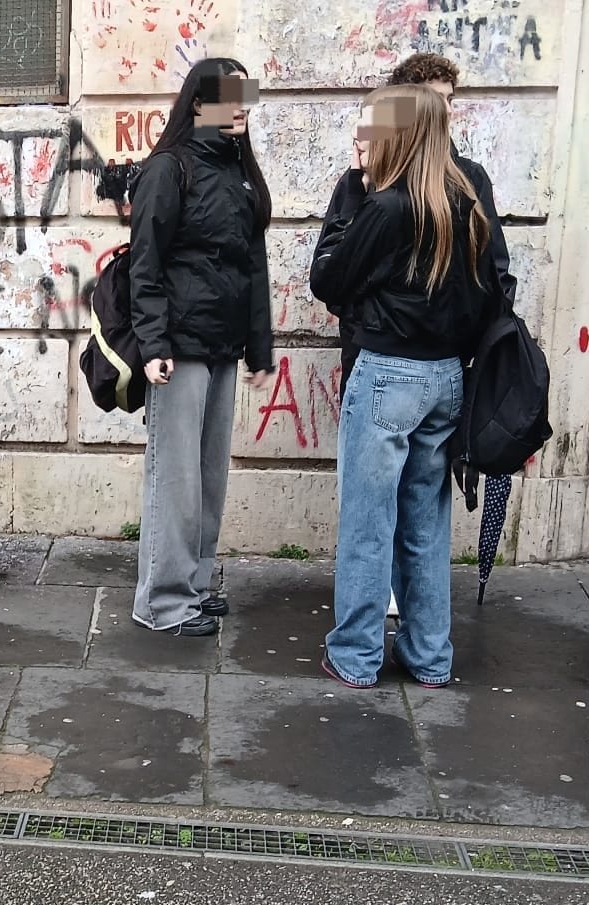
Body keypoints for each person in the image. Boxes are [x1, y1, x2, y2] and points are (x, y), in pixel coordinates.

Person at [311, 85, 506, 688]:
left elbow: (327, 279)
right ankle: (429, 657)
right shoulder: (464, 200)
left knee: (368, 523)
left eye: (371, 129)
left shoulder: (387, 206)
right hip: (448, 377)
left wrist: (351, 189)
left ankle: (357, 654)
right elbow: (487, 294)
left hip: (389, 375)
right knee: (426, 522)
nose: (363, 141)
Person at [128, 58, 277, 637]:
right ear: (198, 103)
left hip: (222, 346)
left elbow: (253, 268)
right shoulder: (169, 168)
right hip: (180, 349)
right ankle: (162, 602)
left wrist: (259, 350)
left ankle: (192, 584)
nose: (241, 106)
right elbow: (146, 263)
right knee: (177, 480)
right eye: (229, 96)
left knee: (209, 476)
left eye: (246, 97)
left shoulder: (241, 174)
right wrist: (153, 343)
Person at [331, 53, 515, 385]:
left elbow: (493, 270)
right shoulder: (366, 179)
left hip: (448, 364)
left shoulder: (469, 178)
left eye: (449, 99)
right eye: (434, 100)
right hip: (374, 355)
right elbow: (335, 274)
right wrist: (366, 326)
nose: (445, 110)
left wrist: (472, 343)